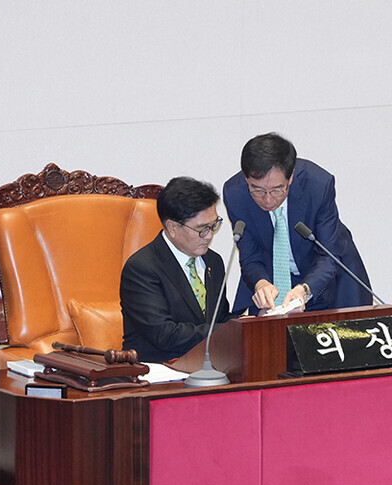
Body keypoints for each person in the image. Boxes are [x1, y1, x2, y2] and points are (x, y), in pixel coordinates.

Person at [222, 132, 372, 314]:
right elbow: (250, 256)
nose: (268, 200)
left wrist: (305, 290)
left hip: (328, 281)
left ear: (290, 177)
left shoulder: (317, 185)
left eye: (277, 190)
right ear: (246, 179)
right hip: (274, 282)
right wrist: (261, 283)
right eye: (258, 190)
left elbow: (329, 254)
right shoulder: (235, 194)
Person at [120, 176, 232, 363]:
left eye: (214, 225)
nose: (209, 236)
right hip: (157, 372)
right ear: (172, 227)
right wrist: (232, 329)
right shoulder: (142, 268)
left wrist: (256, 320)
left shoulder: (214, 261)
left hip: (208, 367)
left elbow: (218, 319)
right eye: (202, 228)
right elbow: (164, 335)